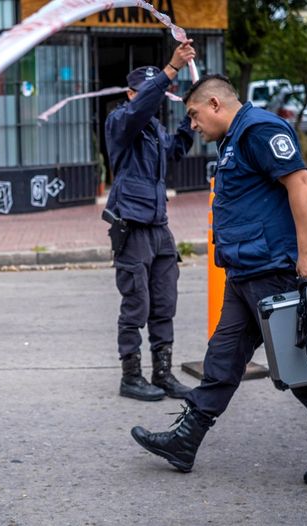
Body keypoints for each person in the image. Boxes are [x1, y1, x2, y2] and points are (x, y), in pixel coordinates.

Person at [131, 74, 307, 486]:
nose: (192, 125)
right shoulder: (234, 138)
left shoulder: (261, 129)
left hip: (273, 272)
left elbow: (299, 182)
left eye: (193, 115)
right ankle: (185, 441)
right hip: (245, 273)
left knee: (302, 368)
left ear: (214, 104)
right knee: (223, 360)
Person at [104, 41, 197, 401]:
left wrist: (190, 125)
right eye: (142, 92)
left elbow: (173, 151)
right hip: (132, 227)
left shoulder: (155, 130)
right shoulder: (121, 122)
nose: (150, 96)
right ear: (130, 93)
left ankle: (163, 374)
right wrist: (170, 69)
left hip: (159, 228)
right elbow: (143, 106)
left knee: (164, 302)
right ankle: (131, 376)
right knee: (136, 304)